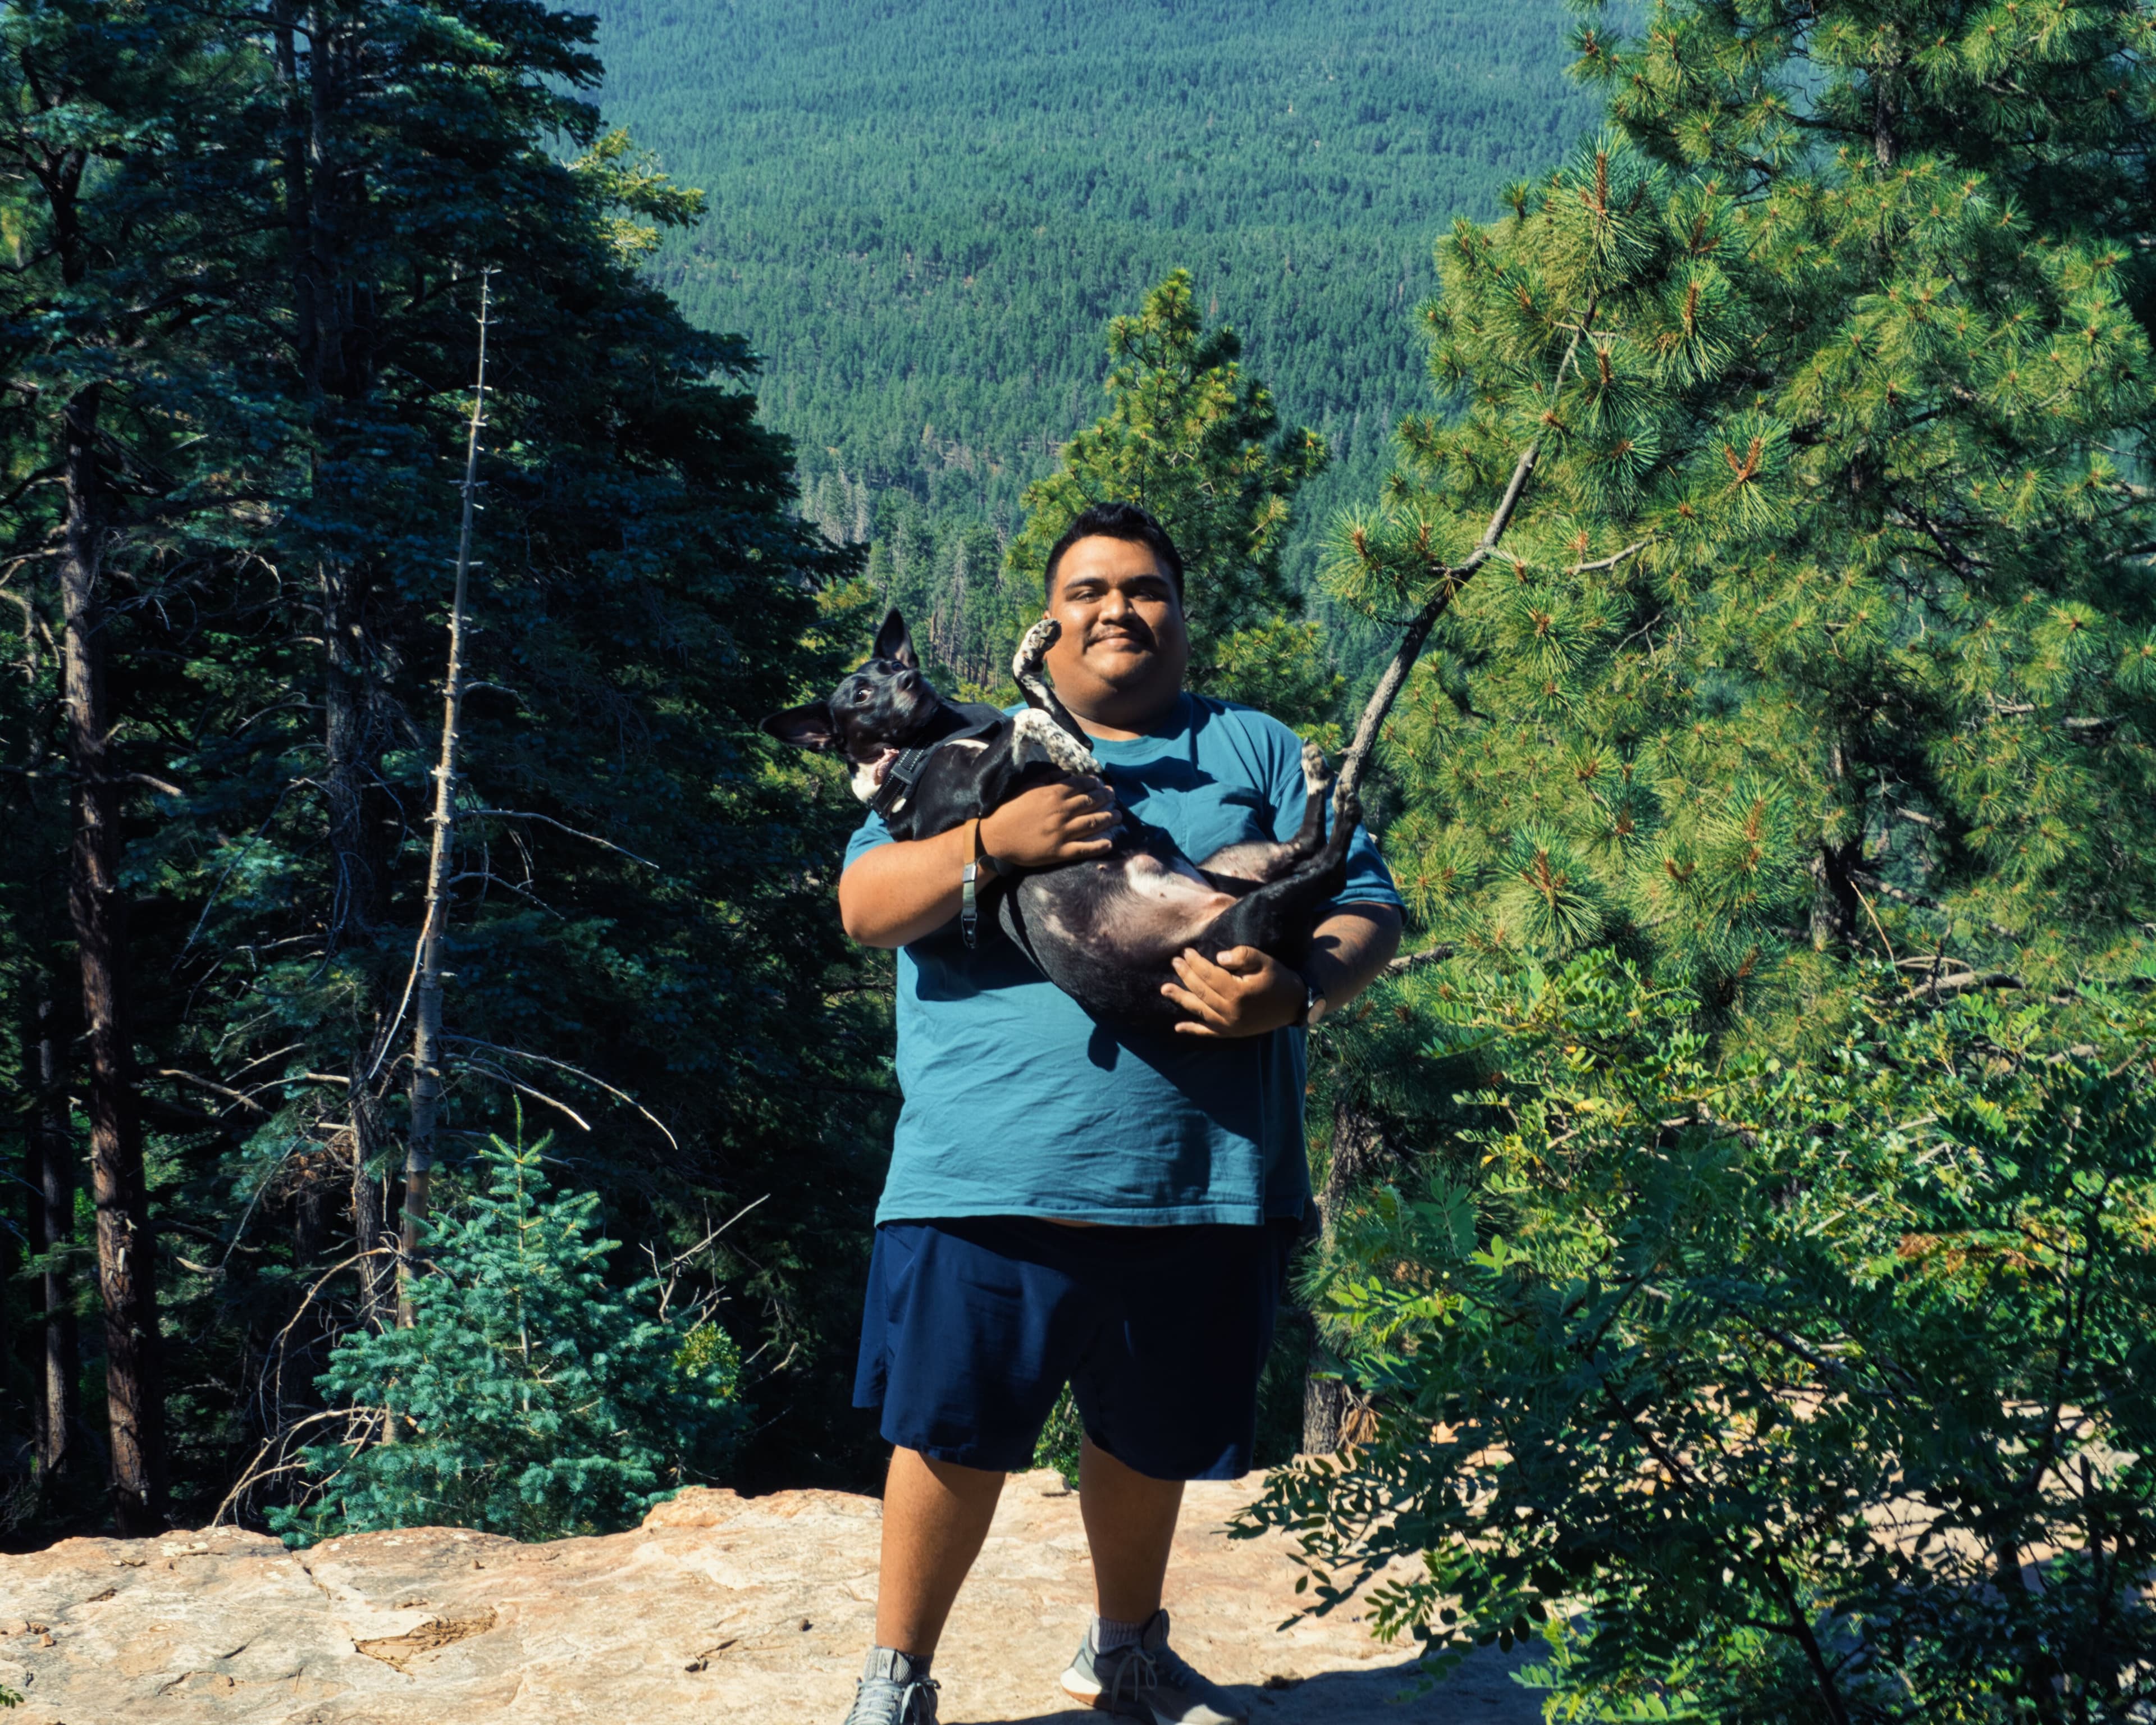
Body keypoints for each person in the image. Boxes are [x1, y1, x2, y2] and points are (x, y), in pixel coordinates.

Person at [834, 503, 1403, 1725]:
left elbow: (1366, 907)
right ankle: (895, 1683)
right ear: (1049, 622)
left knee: (1150, 1439)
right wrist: (994, 838)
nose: (1117, 609)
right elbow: (869, 905)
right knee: (950, 1432)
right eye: (1088, 590)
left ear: (1183, 617)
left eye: (1145, 588)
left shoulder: (1253, 748)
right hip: (983, 1170)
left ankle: (1123, 1653)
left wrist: (1297, 993)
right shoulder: (974, 749)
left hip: (1202, 1175)